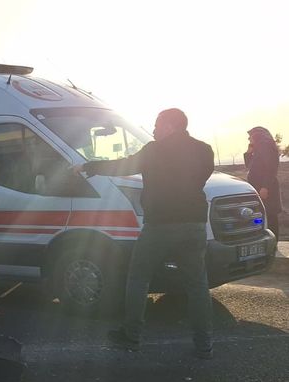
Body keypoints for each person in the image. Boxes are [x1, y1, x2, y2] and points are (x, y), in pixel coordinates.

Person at [73, 108, 214, 359]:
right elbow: (202, 178)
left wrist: (89, 166)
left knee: (138, 277)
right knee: (197, 285)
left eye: (157, 125)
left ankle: (131, 335)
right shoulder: (204, 150)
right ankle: (204, 345)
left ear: (170, 125)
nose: (154, 129)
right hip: (194, 224)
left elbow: (122, 166)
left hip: (160, 224)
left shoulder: (153, 150)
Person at [244, 126, 282, 241]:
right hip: (259, 188)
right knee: (261, 216)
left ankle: (273, 242)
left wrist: (265, 187)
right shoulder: (258, 148)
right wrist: (248, 153)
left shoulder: (266, 146)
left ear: (257, 135)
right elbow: (249, 166)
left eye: (250, 136)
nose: (249, 139)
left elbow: (271, 168)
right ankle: (266, 241)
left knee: (270, 216)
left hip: (266, 189)